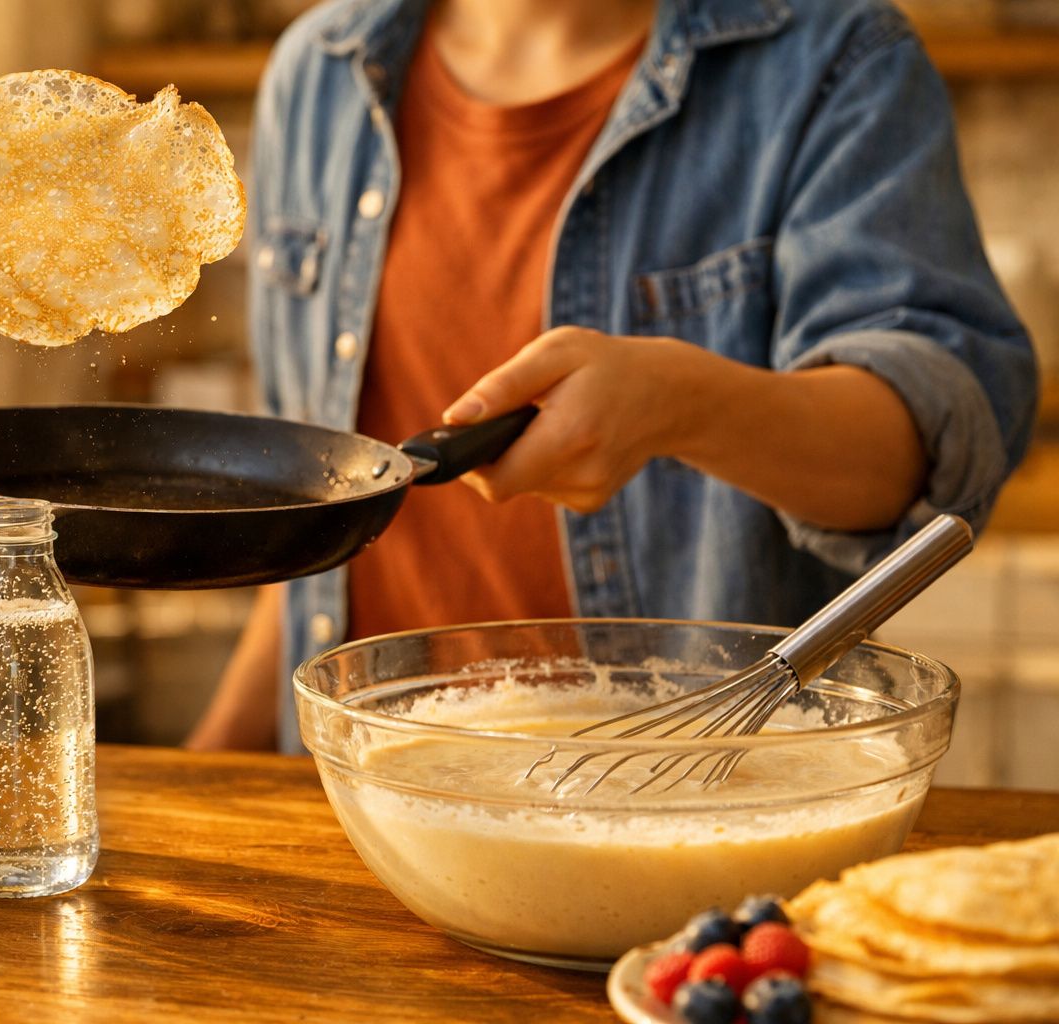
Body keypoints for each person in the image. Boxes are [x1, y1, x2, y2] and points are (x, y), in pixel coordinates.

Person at [185, 0, 1037, 753]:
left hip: (691, 800)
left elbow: (921, 454)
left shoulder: (838, 58)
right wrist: (209, 759)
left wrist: (683, 406)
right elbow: (323, 531)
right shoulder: (319, 71)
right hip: (363, 792)